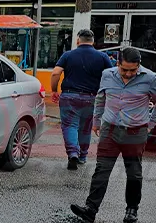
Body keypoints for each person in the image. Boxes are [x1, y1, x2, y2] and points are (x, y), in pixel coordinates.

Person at [70, 48, 156, 223]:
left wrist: (150, 125)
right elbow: (101, 98)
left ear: (139, 65)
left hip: (135, 131)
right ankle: (90, 210)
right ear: (117, 64)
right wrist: (97, 121)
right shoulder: (107, 75)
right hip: (110, 129)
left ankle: (132, 209)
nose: (129, 73)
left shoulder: (151, 78)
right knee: (102, 169)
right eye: (125, 70)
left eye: (133, 70)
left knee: (133, 172)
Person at [49, 29, 114, 170]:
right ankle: (83, 156)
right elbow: (112, 76)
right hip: (92, 98)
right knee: (86, 128)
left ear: (78, 40)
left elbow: (55, 73)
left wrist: (54, 90)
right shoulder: (102, 57)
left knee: (70, 125)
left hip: (70, 96)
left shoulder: (67, 55)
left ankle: (73, 153)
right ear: (93, 41)